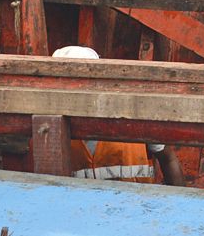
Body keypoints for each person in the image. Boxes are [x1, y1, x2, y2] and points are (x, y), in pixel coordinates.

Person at [51, 46, 184, 184]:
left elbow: (168, 159)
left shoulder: (134, 115)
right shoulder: (52, 127)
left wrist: (180, 203)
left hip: (138, 203)